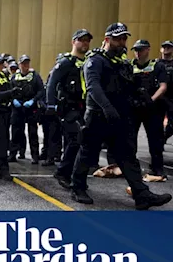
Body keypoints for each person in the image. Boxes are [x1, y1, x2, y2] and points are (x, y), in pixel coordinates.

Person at [69, 22, 171, 209]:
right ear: (107, 39)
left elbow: (128, 85)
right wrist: (108, 108)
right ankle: (77, 188)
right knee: (87, 153)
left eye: (124, 38)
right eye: (118, 39)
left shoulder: (121, 62)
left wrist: (140, 95)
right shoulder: (95, 60)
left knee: (127, 156)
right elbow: (93, 87)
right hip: (99, 116)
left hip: (120, 117)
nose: (122, 42)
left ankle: (141, 195)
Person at [46, 29, 91, 187]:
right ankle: (63, 172)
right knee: (76, 139)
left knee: (81, 141)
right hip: (68, 108)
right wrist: (50, 105)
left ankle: (73, 175)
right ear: (74, 42)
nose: (84, 43)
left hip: (84, 107)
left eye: (87, 40)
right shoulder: (65, 62)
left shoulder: (88, 62)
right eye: (81, 40)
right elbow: (51, 84)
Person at [128, 39, 168, 180]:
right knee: (130, 140)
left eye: (141, 49)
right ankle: (131, 169)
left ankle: (158, 169)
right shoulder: (129, 65)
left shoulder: (157, 66)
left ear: (148, 49)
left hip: (153, 108)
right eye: (136, 50)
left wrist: (151, 100)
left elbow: (163, 86)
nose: (138, 53)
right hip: (134, 108)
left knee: (155, 140)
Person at [9, 55, 44, 164]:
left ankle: (35, 156)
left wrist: (33, 100)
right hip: (18, 108)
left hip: (31, 107)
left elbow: (41, 90)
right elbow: (9, 91)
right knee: (16, 132)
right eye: (23, 64)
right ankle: (13, 154)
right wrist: (14, 100)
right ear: (19, 65)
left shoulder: (35, 76)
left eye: (27, 63)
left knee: (32, 132)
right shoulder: (14, 77)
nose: (25, 66)